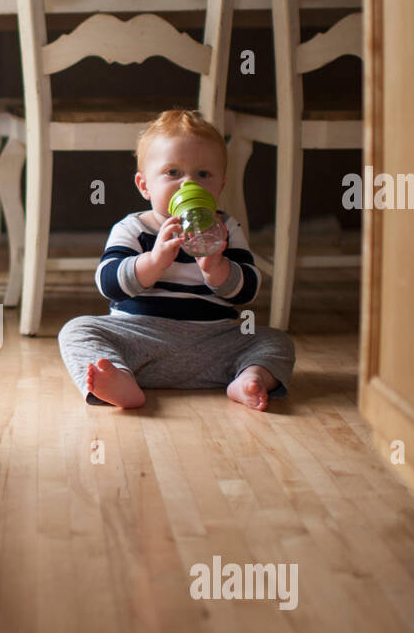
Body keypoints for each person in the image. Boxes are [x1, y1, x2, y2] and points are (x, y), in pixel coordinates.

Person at [57, 110, 295, 411]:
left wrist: (217, 268)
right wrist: (153, 262)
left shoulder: (226, 228)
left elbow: (248, 290)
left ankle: (249, 379)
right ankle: (120, 378)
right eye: (173, 173)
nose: (188, 185)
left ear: (219, 186)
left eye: (203, 175)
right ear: (144, 185)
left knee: (276, 341)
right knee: (76, 330)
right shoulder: (133, 227)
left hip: (212, 344)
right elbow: (108, 283)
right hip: (140, 341)